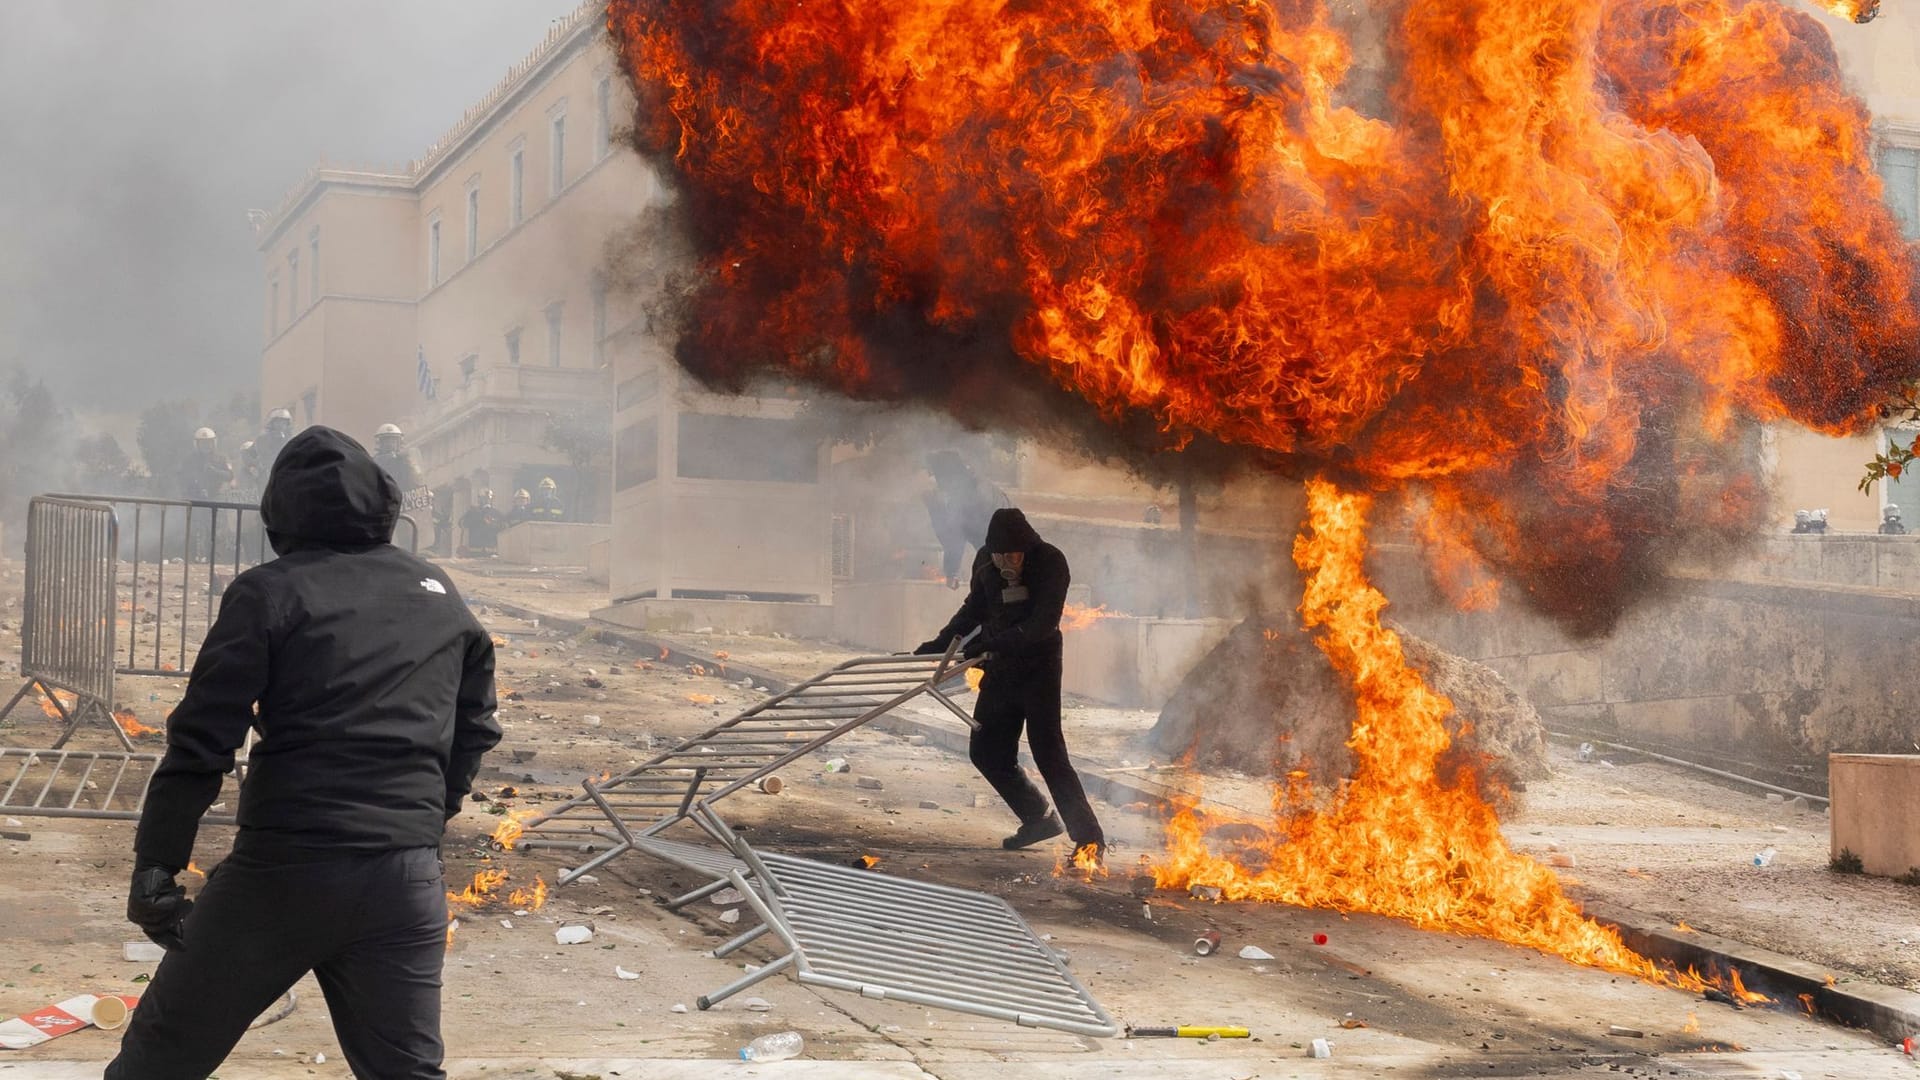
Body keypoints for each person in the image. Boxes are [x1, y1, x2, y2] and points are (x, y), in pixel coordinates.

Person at [107, 426, 499, 1080]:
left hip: (282, 875)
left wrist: (158, 861)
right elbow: (476, 727)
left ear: (279, 515)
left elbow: (204, 736)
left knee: (155, 1066)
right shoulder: (440, 594)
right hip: (404, 883)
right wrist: (423, 822)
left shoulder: (269, 592)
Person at [915, 508, 1104, 861]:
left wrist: (992, 643)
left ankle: (1090, 842)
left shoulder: (1050, 561)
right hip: (1000, 669)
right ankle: (1038, 819)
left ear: (1027, 549)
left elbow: (1043, 623)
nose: (1007, 562)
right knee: (987, 751)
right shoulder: (986, 561)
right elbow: (974, 609)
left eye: (1013, 555)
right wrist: (940, 643)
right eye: (1000, 554)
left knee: (1049, 753)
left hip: (1039, 668)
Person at [922, 450, 1008, 589]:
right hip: (1005, 561)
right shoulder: (977, 487)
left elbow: (954, 539)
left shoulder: (972, 496)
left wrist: (935, 509)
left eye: (938, 476)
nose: (938, 483)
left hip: (1003, 563)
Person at [374, 423, 431, 515]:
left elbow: (416, 479)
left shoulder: (405, 459)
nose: (389, 443)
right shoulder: (374, 462)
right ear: (380, 443)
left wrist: (423, 494)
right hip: (384, 503)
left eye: (393, 440)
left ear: (399, 442)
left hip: (405, 502)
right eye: (386, 440)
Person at [181, 428, 232, 502]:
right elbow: (182, 478)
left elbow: (230, 476)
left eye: (209, 443)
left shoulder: (222, 458)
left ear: (214, 443)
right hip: (195, 499)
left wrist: (215, 471)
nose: (206, 446)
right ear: (197, 444)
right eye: (203, 443)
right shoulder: (190, 460)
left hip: (217, 498)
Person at [460, 490, 506, 556]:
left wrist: (491, 524)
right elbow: (462, 523)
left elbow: (504, 527)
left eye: (488, 498)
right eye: (484, 498)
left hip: (491, 550)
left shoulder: (496, 513)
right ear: (479, 499)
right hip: (475, 549)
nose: (486, 500)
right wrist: (477, 518)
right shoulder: (473, 511)